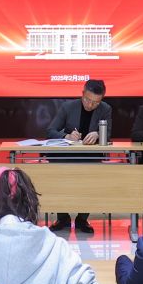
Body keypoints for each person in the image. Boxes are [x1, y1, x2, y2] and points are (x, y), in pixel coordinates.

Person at [48, 78, 114, 234]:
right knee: (58, 176)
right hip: (65, 156)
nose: (90, 105)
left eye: (95, 102)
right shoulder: (68, 107)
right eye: (87, 100)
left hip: (90, 156)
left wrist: (98, 134)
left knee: (92, 179)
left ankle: (82, 219)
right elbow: (50, 131)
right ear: (82, 93)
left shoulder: (105, 109)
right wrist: (66, 136)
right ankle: (62, 218)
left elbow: (109, 134)